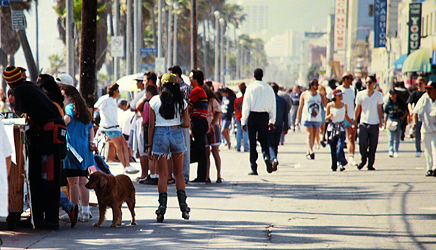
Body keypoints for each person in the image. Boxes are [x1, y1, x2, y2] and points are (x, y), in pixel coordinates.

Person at [4, 66, 66, 230]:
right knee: (39, 176)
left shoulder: (21, 90)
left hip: (50, 131)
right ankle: (38, 218)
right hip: (50, 131)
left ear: (10, 83)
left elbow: (19, 112)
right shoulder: (29, 86)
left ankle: (51, 220)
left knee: (49, 176)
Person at [147, 73, 190, 222]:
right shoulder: (182, 102)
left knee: (163, 174)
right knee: (179, 173)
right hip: (176, 133)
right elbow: (187, 124)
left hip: (159, 135)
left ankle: (162, 208)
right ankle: (183, 206)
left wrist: (149, 145)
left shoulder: (154, 101)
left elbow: (151, 125)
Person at [59, 84, 95, 222]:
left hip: (72, 150)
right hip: (84, 150)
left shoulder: (69, 108)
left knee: (73, 183)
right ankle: (86, 211)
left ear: (68, 96)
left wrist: (60, 122)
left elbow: (67, 120)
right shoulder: (83, 109)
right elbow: (91, 128)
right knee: (83, 182)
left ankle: (74, 210)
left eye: (63, 95)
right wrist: (91, 142)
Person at [94, 83, 139, 174]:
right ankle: (125, 166)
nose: (119, 93)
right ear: (114, 91)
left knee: (124, 145)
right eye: (118, 91)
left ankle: (128, 165)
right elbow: (95, 107)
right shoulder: (104, 99)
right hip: (109, 127)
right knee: (119, 146)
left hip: (116, 127)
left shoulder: (113, 100)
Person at [241, 68, 276, 175]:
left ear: (253, 76)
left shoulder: (250, 88)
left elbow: (246, 105)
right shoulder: (268, 88)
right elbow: (273, 105)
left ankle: (253, 167)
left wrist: (243, 121)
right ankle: (266, 157)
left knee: (252, 142)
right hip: (264, 116)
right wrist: (272, 120)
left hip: (253, 116)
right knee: (264, 139)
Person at [354, 75, 384, 171]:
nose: (368, 84)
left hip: (374, 123)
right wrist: (354, 121)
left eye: (370, 82)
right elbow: (357, 108)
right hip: (363, 122)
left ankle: (370, 164)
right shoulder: (360, 94)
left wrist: (380, 121)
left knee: (373, 145)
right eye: (366, 82)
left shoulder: (378, 95)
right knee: (362, 143)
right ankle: (363, 159)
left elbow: (380, 108)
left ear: (374, 83)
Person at [169, 66, 192, 183]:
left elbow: (188, 107)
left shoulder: (185, 88)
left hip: (183, 122)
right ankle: (175, 176)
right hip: (173, 123)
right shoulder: (172, 89)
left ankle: (185, 177)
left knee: (184, 150)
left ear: (177, 75)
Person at [296, 79, 327, 160]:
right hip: (307, 117)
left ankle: (309, 151)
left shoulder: (319, 95)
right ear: (311, 85)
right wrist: (297, 119)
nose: (317, 86)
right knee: (309, 134)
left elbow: (325, 104)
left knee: (313, 136)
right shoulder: (304, 94)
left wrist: (324, 96)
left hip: (317, 118)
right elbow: (300, 107)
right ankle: (311, 151)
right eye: (316, 84)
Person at [187, 69, 209, 182]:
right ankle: (202, 175)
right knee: (201, 148)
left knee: (200, 149)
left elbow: (189, 107)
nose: (190, 80)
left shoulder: (196, 91)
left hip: (198, 121)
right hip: (201, 121)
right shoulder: (201, 90)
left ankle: (201, 176)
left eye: (191, 78)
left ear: (196, 80)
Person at [325, 89, 354, 171]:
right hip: (332, 129)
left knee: (340, 146)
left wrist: (353, 123)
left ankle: (341, 162)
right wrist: (330, 115)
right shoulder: (330, 105)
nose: (341, 97)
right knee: (333, 148)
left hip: (341, 128)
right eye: (339, 95)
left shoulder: (344, 105)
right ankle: (334, 164)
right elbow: (326, 119)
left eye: (341, 95)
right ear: (335, 96)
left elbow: (346, 116)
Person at [137, 84, 159, 185]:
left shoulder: (147, 103)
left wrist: (143, 124)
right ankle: (157, 174)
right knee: (157, 153)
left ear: (149, 93)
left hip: (148, 128)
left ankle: (152, 174)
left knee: (149, 152)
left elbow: (145, 119)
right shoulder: (159, 101)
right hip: (158, 128)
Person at [203, 83, 223, 183]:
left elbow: (219, 111)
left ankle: (219, 175)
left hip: (214, 128)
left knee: (215, 152)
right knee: (207, 153)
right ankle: (207, 176)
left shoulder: (212, 100)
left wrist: (212, 124)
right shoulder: (203, 101)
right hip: (205, 127)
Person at [268, 82, 289, 172]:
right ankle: (274, 158)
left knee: (270, 143)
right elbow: (286, 115)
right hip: (279, 124)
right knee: (275, 144)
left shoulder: (268, 100)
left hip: (269, 124)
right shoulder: (283, 100)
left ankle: (273, 159)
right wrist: (286, 127)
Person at [337, 73, 357, 166]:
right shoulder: (339, 89)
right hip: (340, 117)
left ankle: (351, 157)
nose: (351, 81)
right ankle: (340, 158)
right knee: (340, 139)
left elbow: (356, 104)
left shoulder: (354, 90)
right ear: (344, 79)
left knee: (351, 138)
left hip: (350, 116)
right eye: (350, 79)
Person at [383, 89, 407, 158]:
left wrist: (403, 117)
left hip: (398, 120)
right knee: (391, 137)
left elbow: (405, 111)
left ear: (396, 95)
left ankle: (396, 151)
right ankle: (391, 150)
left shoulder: (400, 103)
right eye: (391, 94)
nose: (392, 96)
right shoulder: (388, 104)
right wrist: (385, 123)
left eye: (393, 94)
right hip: (390, 121)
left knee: (397, 137)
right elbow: (386, 114)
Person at [407, 76, 426, 157]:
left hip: (426, 117)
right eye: (417, 84)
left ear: (424, 83)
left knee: (426, 134)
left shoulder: (427, 93)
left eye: (420, 83)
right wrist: (411, 110)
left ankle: (427, 149)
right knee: (417, 133)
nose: (418, 85)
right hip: (417, 116)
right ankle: (418, 149)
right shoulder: (415, 94)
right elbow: (409, 103)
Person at [234, 82, 249, 152]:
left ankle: (238, 147)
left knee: (239, 132)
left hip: (238, 117)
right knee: (245, 132)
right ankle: (246, 147)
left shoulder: (237, 100)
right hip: (245, 117)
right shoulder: (247, 99)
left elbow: (235, 109)